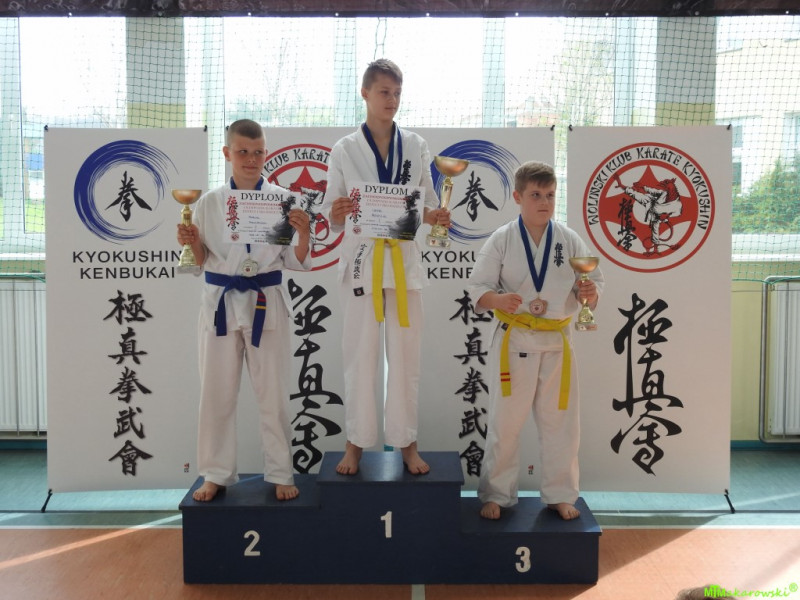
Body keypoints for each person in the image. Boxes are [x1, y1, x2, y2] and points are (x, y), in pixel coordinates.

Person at [322, 59, 451, 476]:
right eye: (383, 92)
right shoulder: (344, 149)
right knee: (359, 358)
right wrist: (336, 212)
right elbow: (331, 211)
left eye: (397, 93)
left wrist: (436, 216)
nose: (391, 100)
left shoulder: (415, 145)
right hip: (362, 264)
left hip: (403, 264)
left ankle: (406, 443)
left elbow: (427, 202)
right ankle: (355, 444)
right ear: (365, 93)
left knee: (405, 358)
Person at [176, 119, 312, 502]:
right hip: (220, 303)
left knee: (274, 395)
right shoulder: (208, 203)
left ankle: (281, 471)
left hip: (266, 300)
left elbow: (296, 261)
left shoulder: (285, 200)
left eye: (258, 152)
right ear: (227, 153)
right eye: (243, 152)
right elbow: (198, 261)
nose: (251, 159)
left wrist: (304, 233)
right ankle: (215, 473)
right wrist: (190, 241)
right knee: (216, 395)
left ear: (266, 153)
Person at [467, 161, 603, 521]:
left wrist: (589, 293)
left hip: (558, 343)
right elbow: (477, 287)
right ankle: (497, 494)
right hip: (515, 341)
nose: (544, 202)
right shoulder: (502, 239)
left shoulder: (570, 239)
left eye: (550, 195)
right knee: (505, 424)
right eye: (536, 195)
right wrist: (498, 300)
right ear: (518, 197)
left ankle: (560, 494)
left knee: (562, 424)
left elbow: (594, 285)